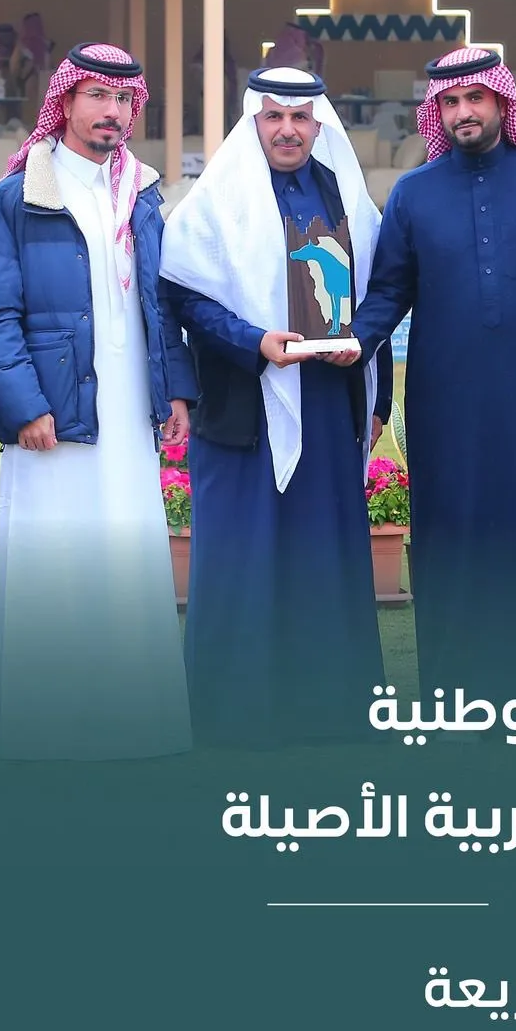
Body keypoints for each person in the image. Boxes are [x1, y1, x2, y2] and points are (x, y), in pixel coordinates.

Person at [350, 45, 516, 705]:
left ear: (502, 101)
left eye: (475, 98)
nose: (463, 112)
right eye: (450, 102)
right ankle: (457, 693)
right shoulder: (413, 193)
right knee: (455, 539)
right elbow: (388, 292)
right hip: (447, 405)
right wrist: (350, 343)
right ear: (437, 112)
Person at [0, 43, 195, 761]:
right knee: (53, 561)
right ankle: (48, 730)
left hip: (129, 413)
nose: (112, 112)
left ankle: (133, 724)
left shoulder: (142, 196)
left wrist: (175, 388)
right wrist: (24, 403)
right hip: (52, 416)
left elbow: (161, 304)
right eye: (97, 96)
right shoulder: (16, 198)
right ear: (63, 102)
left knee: (128, 558)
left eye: (123, 99)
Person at [160, 68, 391, 747]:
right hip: (243, 404)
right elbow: (184, 297)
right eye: (273, 117)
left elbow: (378, 295)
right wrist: (253, 342)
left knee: (323, 556)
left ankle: (330, 711)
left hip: (328, 401)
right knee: (242, 557)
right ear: (253, 121)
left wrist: (376, 385)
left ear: (319, 124)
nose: (287, 130)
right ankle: (236, 715)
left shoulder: (345, 194)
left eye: (300, 118)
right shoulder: (218, 197)